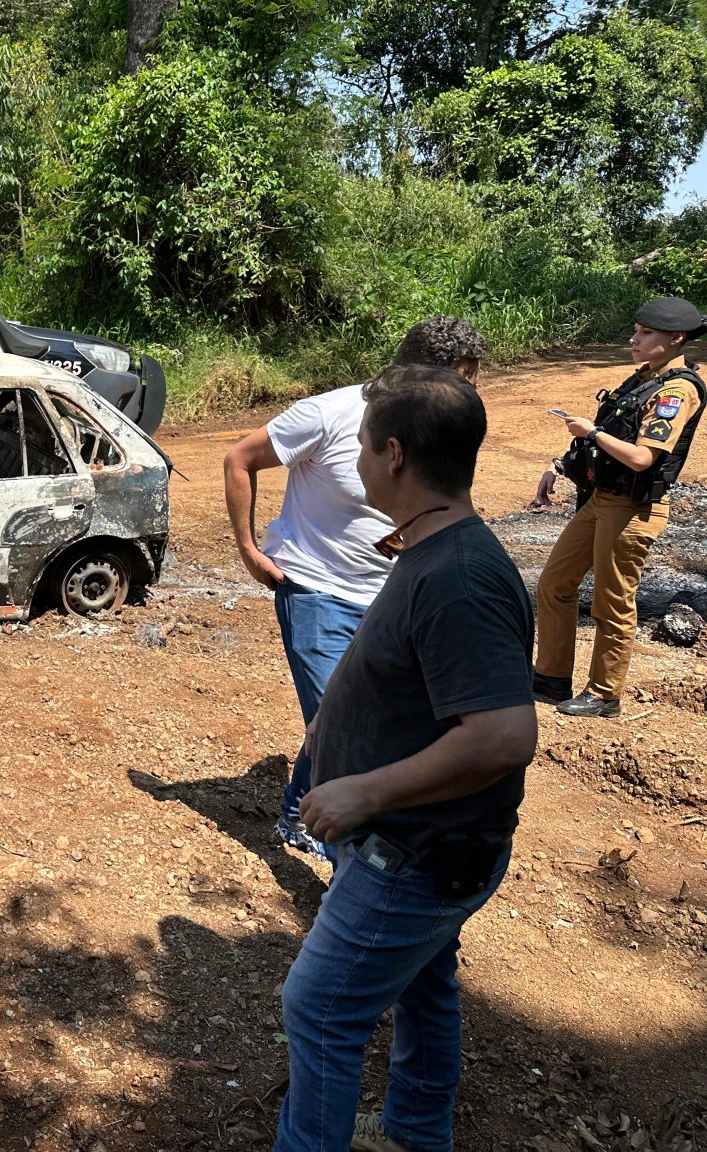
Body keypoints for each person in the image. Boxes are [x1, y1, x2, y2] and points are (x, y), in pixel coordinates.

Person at [273, 364, 537, 1152]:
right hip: (411, 846)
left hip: (417, 855)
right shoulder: (428, 545)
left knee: (318, 1008)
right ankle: (417, 1135)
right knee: (426, 986)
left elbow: (502, 736)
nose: (351, 462)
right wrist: (334, 727)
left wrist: (363, 792)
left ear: (393, 455)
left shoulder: (459, 576)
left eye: (358, 447)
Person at [223, 316, 489, 860]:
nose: (473, 391)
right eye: (465, 377)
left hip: (393, 597)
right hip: (318, 590)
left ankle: (300, 809)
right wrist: (250, 550)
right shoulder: (329, 413)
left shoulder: (436, 427)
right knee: (345, 723)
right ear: (422, 375)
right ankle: (344, 846)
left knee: (357, 715)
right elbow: (239, 459)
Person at [531, 297, 707, 718]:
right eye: (636, 330)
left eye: (646, 333)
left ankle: (604, 693)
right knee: (554, 584)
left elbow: (643, 458)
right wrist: (561, 463)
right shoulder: (641, 380)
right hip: (601, 500)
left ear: (675, 339)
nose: (635, 338)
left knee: (612, 601)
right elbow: (608, 438)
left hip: (632, 508)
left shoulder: (676, 390)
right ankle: (550, 677)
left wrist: (590, 431)